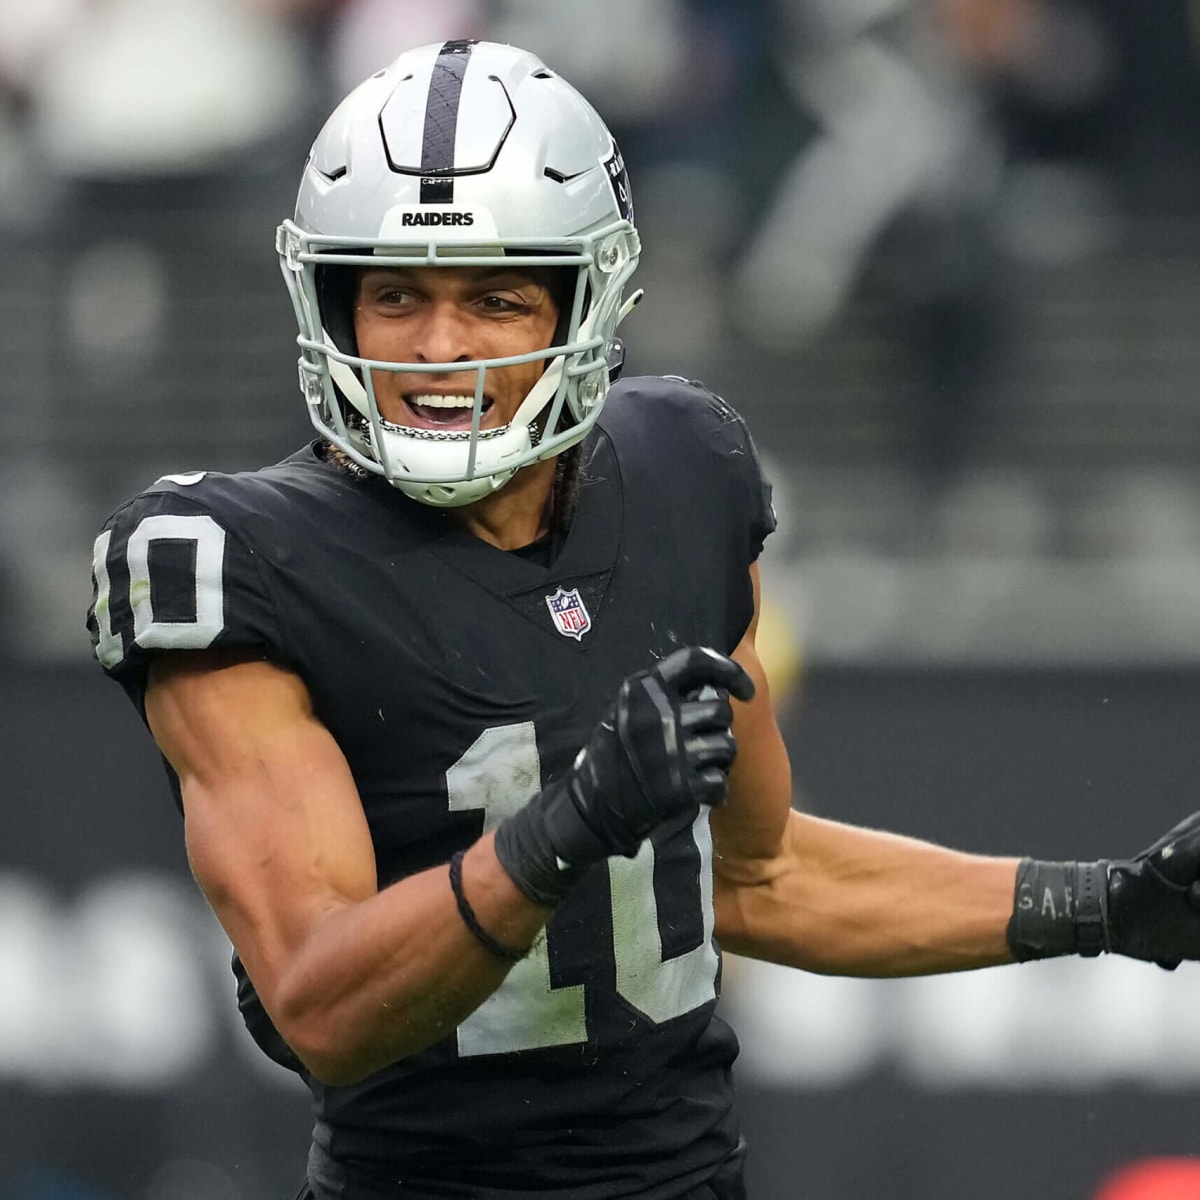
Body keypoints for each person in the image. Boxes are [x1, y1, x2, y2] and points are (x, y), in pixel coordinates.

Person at [86, 39, 1200, 1200]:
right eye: (396, 291)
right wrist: (570, 825)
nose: (438, 349)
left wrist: (1100, 906)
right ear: (331, 300)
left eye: (498, 298)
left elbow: (754, 877)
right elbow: (321, 1001)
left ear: (590, 299)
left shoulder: (684, 471)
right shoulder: (238, 559)